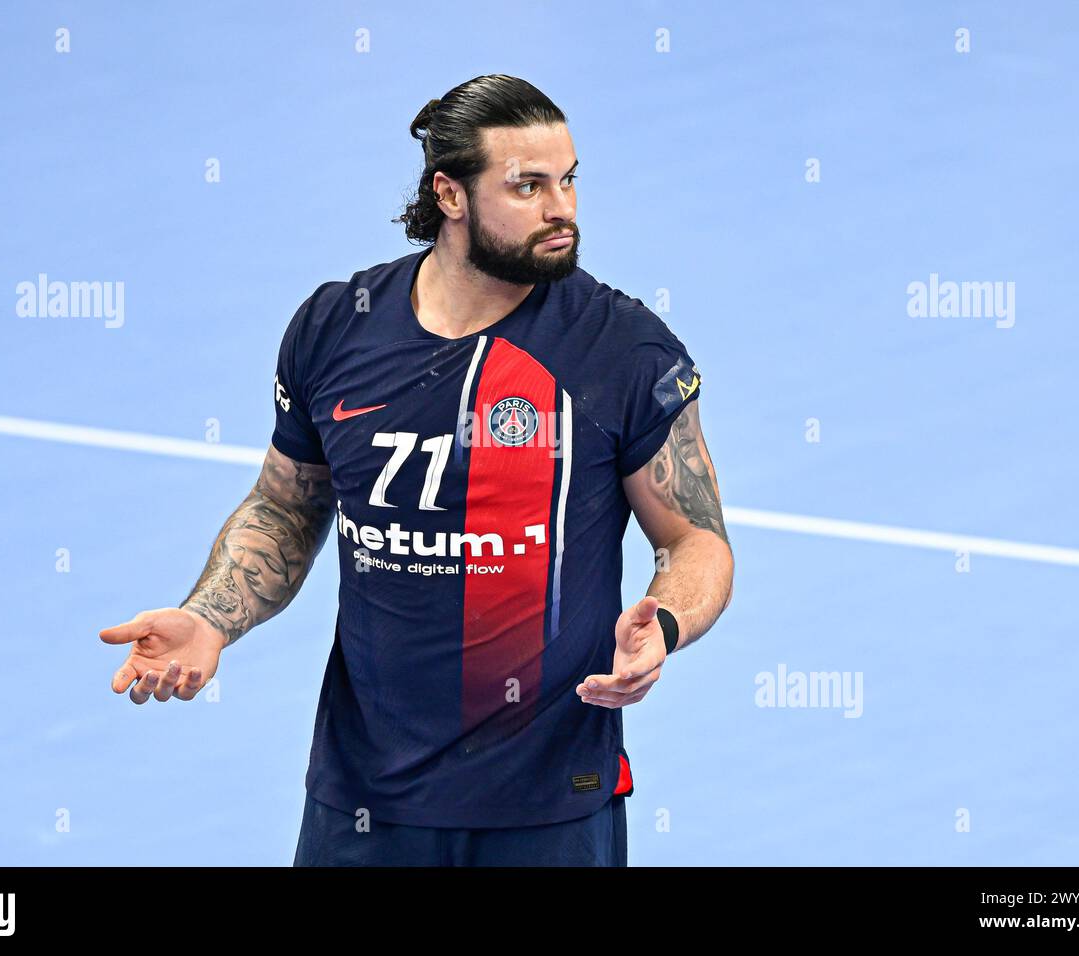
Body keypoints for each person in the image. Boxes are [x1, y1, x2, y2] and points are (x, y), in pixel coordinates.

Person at [99, 74, 735, 866]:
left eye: (568, 180)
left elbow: (696, 538)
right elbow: (286, 507)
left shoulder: (623, 350)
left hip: (548, 806)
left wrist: (664, 623)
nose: (561, 208)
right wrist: (211, 616)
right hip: (364, 801)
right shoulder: (337, 329)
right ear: (450, 194)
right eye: (528, 186)